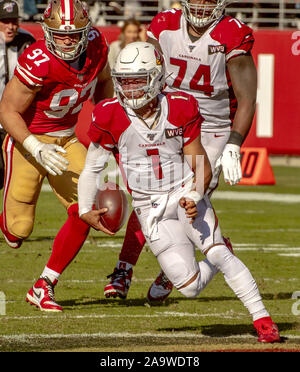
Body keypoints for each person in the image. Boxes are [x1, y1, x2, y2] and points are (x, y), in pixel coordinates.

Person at [78, 42, 280, 343]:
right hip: (148, 208)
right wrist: (84, 209)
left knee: (219, 253)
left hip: (183, 191)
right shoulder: (110, 114)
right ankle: (215, 253)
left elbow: (200, 164)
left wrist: (196, 195)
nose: (130, 89)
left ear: (157, 77)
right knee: (189, 287)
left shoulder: (180, 106)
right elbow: (93, 168)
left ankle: (262, 319)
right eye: (124, 81)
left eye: (138, 80)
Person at [104, 0, 257, 301]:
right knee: (147, 193)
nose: (201, 5)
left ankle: (177, 269)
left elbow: (247, 96)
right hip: (168, 119)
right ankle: (126, 267)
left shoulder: (230, 33)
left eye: (208, 0)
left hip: (211, 127)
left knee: (188, 198)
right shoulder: (164, 25)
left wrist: (234, 144)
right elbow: (144, 72)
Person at [0, 0, 114, 312]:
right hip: (28, 141)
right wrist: (34, 146)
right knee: (17, 230)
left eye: (74, 34)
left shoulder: (96, 46)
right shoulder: (38, 58)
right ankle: (7, 222)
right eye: (60, 35)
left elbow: (104, 82)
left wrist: (108, 130)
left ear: (86, 31)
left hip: (66, 139)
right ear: (48, 32)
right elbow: (7, 110)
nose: (66, 40)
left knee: (87, 209)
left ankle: (44, 284)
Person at [0, 0, 35, 190]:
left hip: (16, 120)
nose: (11, 26)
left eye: (14, 21)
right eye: (5, 21)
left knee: (17, 180)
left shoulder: (27, 41)